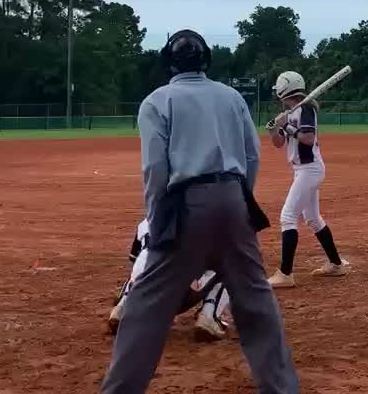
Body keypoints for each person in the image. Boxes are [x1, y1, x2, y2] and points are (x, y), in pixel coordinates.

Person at [99, 30, 298, 394]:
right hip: (234, 198)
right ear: (206, 59)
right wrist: (236, 200)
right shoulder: (232, 97)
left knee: (146, 305)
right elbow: (251, 156)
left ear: (168, 63)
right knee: (256, 302)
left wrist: (157, 218)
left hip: (184, 204)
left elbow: (155, 169)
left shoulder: (157, 101)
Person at [266, 71, 351, 289]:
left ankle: (285, 274)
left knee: (287, 217)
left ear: (285, 89)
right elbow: (278, 143)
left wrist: (286, 126)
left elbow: (308, 138)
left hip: (310, 169)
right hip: (301, 170)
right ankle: (336, 264)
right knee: (313, 218)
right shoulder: (290, 112)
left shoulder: (306, 109)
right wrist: (274, 129)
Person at [108, 218, 232, 342]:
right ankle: (209, 315)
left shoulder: (148, 220)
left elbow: (135, 260)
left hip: (141, 297)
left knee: (142, 268)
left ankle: (123, 308)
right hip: (177, 297)